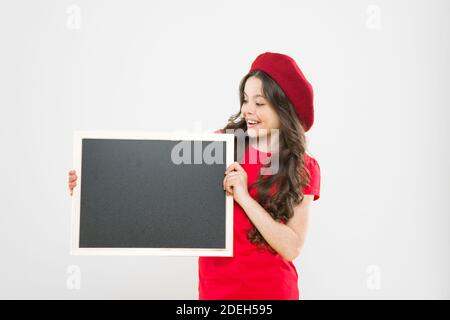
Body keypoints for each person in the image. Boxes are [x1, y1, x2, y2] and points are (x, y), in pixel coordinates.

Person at [67, 52, 321, 300]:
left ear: (283, 108)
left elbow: (291, 247)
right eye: (245, 100)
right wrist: (93, 183)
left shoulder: (305, 167)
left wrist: (244, 198)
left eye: (259, 103)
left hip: (274, 293)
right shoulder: (220, 146)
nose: (247, 110)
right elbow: (158, 185)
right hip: (216, 292)